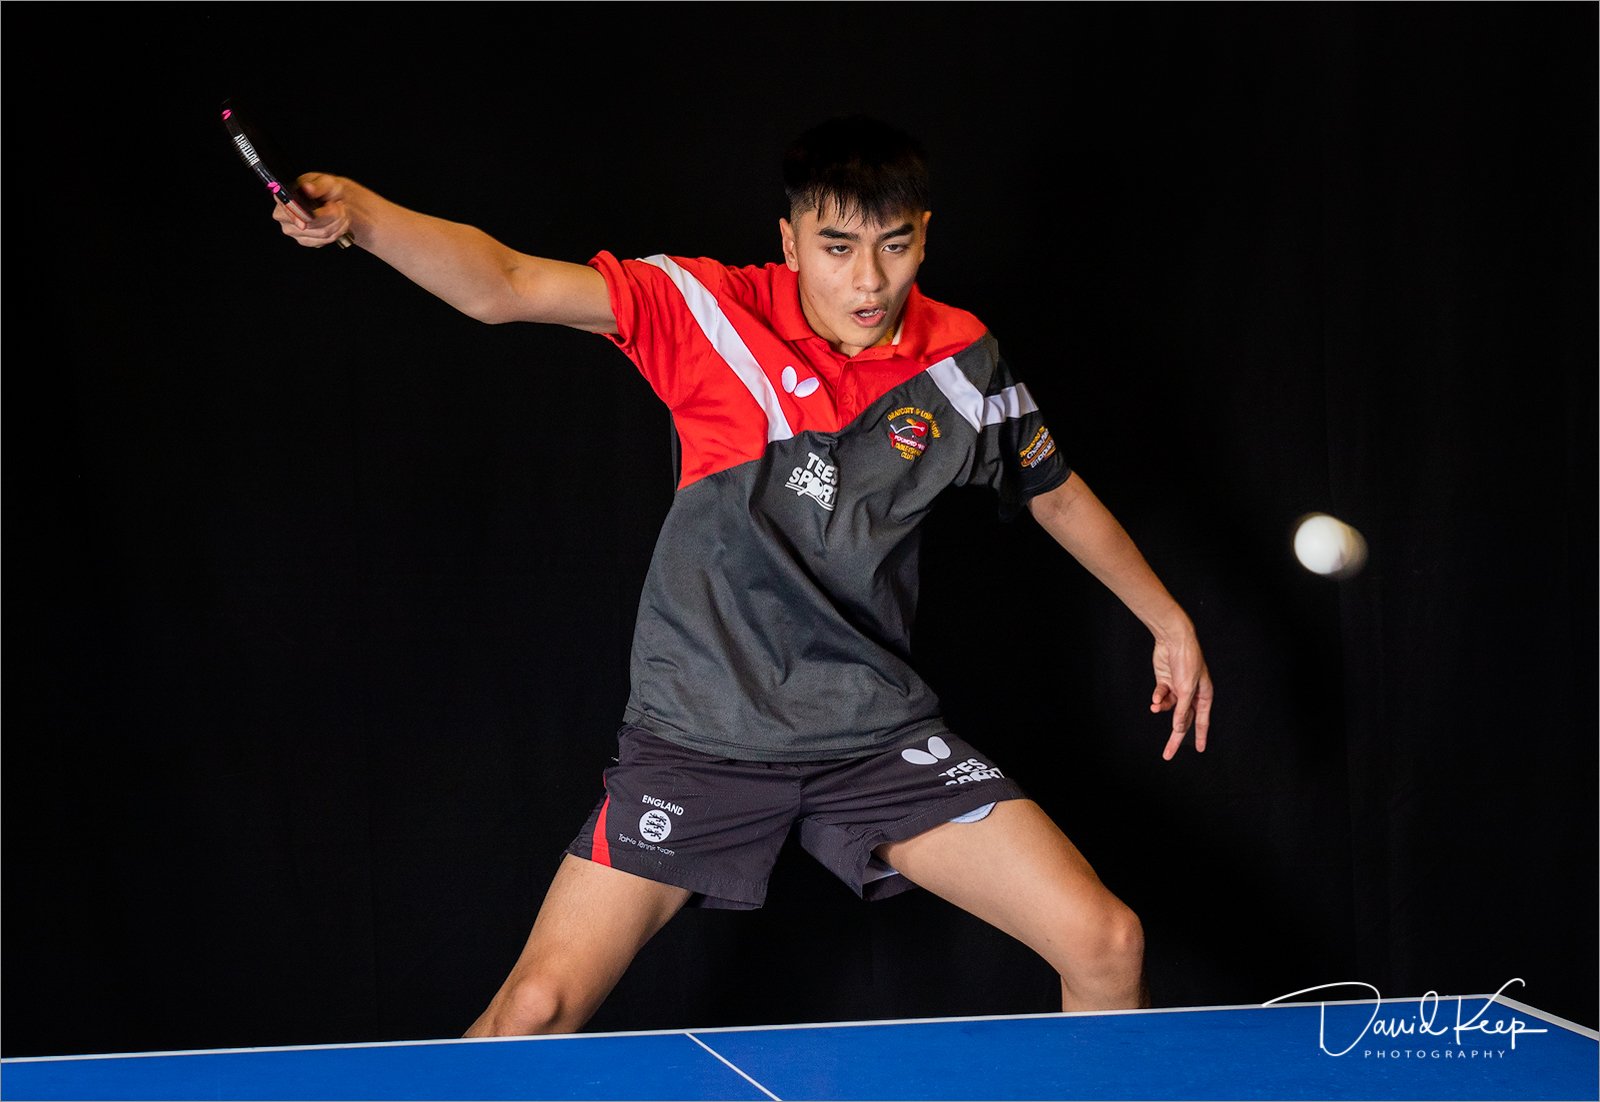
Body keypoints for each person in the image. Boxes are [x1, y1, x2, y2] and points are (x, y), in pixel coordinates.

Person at [273, 114, 1214, 1037]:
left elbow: (1053, 492)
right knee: (535, 1009)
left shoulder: (963, 360)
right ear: (790, 239)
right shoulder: (706, 314)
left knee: (1105, 941)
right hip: (701, 738)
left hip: (870, 739)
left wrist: (1167, 619)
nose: (868, 279)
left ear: (924, 234)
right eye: (838, 247)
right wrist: (358, 211)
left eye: (893, 246)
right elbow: (505, 285)